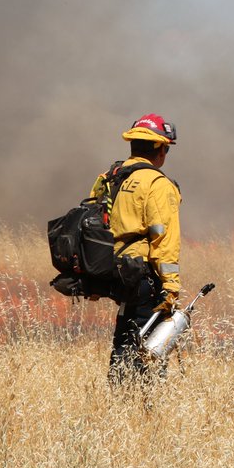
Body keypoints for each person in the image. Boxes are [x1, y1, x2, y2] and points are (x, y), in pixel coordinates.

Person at [91, 113, 182, 384]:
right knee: (145, 347)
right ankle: (137, 403)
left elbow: (95, 221)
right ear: (159, 148)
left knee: (125, 340)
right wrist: (171, 287)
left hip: (113, 271)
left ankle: (121, 394)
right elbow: (164, 240)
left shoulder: (109, 177)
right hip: (142, 275)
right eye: (166, 147)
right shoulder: (157, 184)